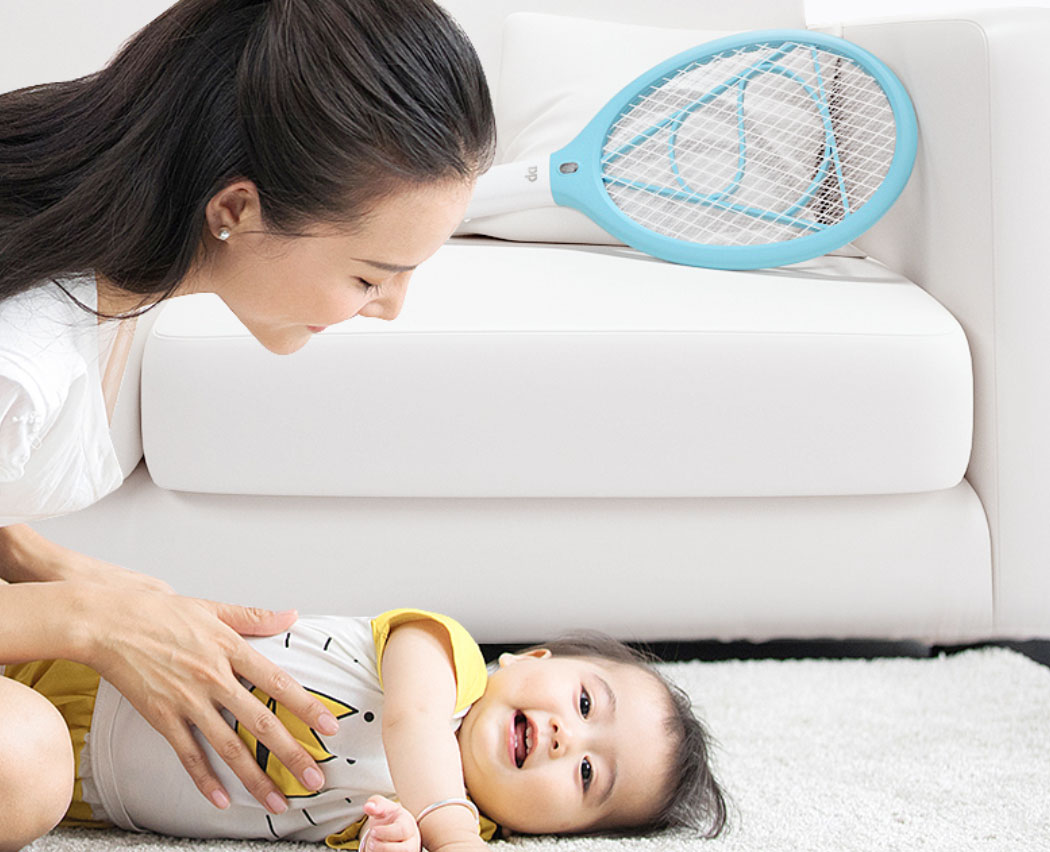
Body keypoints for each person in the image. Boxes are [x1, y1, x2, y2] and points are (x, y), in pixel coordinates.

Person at [0, 0, 496, 849]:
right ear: (237, 209)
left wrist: (58, 569)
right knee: (21, 760)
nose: (389, 309)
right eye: (372, 274)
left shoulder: (117, 275)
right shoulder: (27, 360)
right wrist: (87, 622)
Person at [3, 608, 728, 848]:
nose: (570, 738)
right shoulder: (448, 656)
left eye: (588, 777)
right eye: (585, 703)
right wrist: (450, 830)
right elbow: (410, 723)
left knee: (21, 780)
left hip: (81, 784)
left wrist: (397, 839)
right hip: (98, 661)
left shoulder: (418, 819)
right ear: (529, 659)